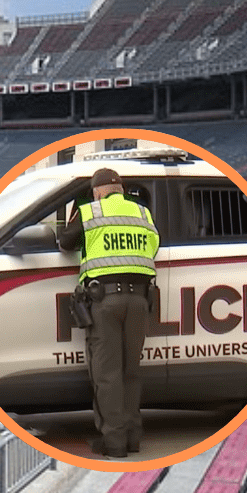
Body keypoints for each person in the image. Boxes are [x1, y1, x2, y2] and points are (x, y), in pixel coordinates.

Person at [59, 167, 159, 459]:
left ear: (98, 191)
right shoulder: (142, 214)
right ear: (121, 189)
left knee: (107, 375)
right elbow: (153, 247)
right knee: (131, 372)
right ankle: (132, 439)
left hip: (104, 302)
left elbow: (65, 243)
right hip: (140, 300)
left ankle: (114, 443)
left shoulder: (90, 212)